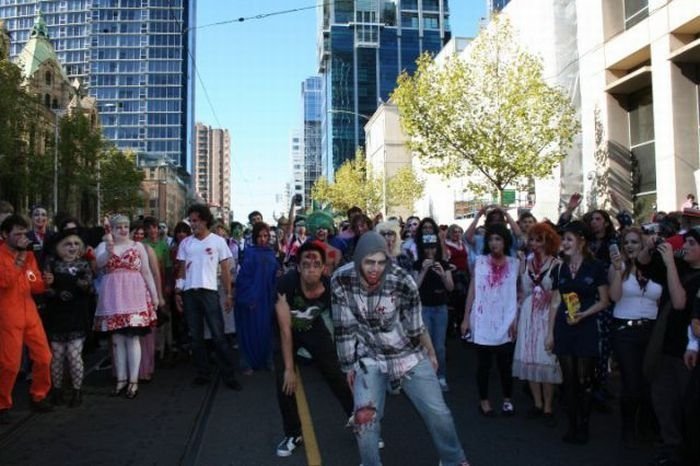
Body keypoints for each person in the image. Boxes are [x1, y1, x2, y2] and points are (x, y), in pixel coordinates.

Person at [332, 231, 470, 466]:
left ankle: (453, 459)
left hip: (407, 353)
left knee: (439, 413)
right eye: (368, 262)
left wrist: (431, 353)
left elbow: (416, 327)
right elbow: (344, 328)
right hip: (369, 356)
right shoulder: (341, 280)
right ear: (357, 261)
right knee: (364, 420)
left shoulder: (402, 281)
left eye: (380, 262)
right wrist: (348, 367)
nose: (375, 269)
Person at [273, 242, 353, 457]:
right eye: (305, 263)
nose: (311, 267)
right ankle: (293, 433)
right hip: (287, 328)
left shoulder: (330, 287)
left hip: (313, 327)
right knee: (284, 380)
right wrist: (290, 368)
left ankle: (357, 419)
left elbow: (344, 319)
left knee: (335, 373)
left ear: (323, 268)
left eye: (316, 263)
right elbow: (284, 329)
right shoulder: (285, 284)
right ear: (298, 267)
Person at [608, 227, 684, 447]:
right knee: (631, 382)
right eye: (626, 243)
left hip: (651, 331)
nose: (630, 246)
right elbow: (614, 297)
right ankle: (627, 428)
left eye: (634, 242)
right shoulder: (619, 267)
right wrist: (616, 270)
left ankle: (646, 426)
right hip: (624, 331)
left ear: (644, 246)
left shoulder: (655, 270)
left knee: (649, 381)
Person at [546, 221, 610, 444]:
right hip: (564, 327)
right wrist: (550, 333)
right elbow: (555, 301)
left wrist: (585, 313)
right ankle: (572, 425)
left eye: (569, 239)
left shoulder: (596, 267)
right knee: (569, 381)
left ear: (581, 242)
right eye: (564, 239)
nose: (565, 243)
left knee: (584, 380)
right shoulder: (560, 268)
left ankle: (584, 424)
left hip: (586, 327)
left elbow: (604, 301)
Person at [174, 204, 241, 390]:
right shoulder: (186, 243)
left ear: (204, 221)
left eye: (195, 221)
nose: (192, 224)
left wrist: (228, 294)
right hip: (190, 293)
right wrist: (178, 292)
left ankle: (229, 375)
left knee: (219, 335)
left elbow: (226, 271)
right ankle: (203, 373)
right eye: (190, 221)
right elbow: (181, 269)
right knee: (196, 337)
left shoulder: (218, 242)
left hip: (210, 292)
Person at [94, 215, 159, 399]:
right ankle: (121, 379)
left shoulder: (137, 246)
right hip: (113, 297)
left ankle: (133, 380)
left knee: (133, 338)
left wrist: (154, 295)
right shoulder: (105, 245)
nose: (122, 230)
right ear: (112, 229)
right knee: (117, 340)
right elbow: (99, 265)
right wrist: (108, 248)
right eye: (119, 227)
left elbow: (146, 271)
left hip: (134, 295)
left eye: (125, 226)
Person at [461, 223, 519, 417]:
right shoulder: (480, 261)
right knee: (484, 365)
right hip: (483, 318)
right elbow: (472, 289)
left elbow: (518, 293)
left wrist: (515, 319)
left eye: (498, 239)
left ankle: (507, 400)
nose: (494, 243)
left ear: (505, 242)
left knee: (505, 364)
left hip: (506, 319)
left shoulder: (515, 263)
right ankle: (484, 401)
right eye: (491, 239)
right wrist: (465, 318)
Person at [0, 214, 53, 423]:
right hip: (7, 313)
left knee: (44, 357)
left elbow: (34, 283)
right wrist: (20, 259)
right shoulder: (5, 256)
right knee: (9, 364)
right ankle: (2, 404)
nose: (23, 237)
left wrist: (46, 282)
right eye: (18, 234)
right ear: (4, 235)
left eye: (24, 233)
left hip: (29, 312)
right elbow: (5, 282)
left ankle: (38, 395)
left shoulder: (29, 257)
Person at [512, 222, 562, 423]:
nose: (534, 244)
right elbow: (521, 291)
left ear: (547, 241)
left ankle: (549, 407)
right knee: (530, 357)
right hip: (528, 313)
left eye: (538, 239)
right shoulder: (525, 261)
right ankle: (537, 404)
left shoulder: (556, 264)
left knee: (547, 359)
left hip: (547, 314)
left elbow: (560, 293)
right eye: (531, 239)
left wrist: (548, 296)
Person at [43, 229, 94, 407]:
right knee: (56, 355)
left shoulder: (84, 265)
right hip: (56, 313)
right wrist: (56, 293)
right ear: (59, 247)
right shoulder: (52, 263)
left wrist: (78, 283)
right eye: (68, 244)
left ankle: (77, 391)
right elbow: (45, 288)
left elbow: (89, 288)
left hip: (77, 313)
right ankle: (56, 391)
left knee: (74, 355)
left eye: (75, 244)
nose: (72, 247)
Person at [235, 222, 278, 373]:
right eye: (259, 236)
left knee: (267, 330)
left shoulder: (271, 253)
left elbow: (274, 276)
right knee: (249, 331)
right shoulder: (249, 253)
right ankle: (247, 362)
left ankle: (268, 360)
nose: (263, 239)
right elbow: (244, 278)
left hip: (267, 299)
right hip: (252, 299)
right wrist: (249, 299)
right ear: (254, 237)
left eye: (265, 236)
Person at [414, 232, 454, 392]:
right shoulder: (418, 264)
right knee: (425, 345)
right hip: (424, 307)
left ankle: (441, 376)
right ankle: (428, 377)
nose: (430, 251)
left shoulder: (443, 264)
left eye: (433, 248)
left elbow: (450, 287)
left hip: (440, 308)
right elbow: (414, 288)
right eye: (427, 248)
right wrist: (423, 270)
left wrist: (443, 275)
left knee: (439, 345)